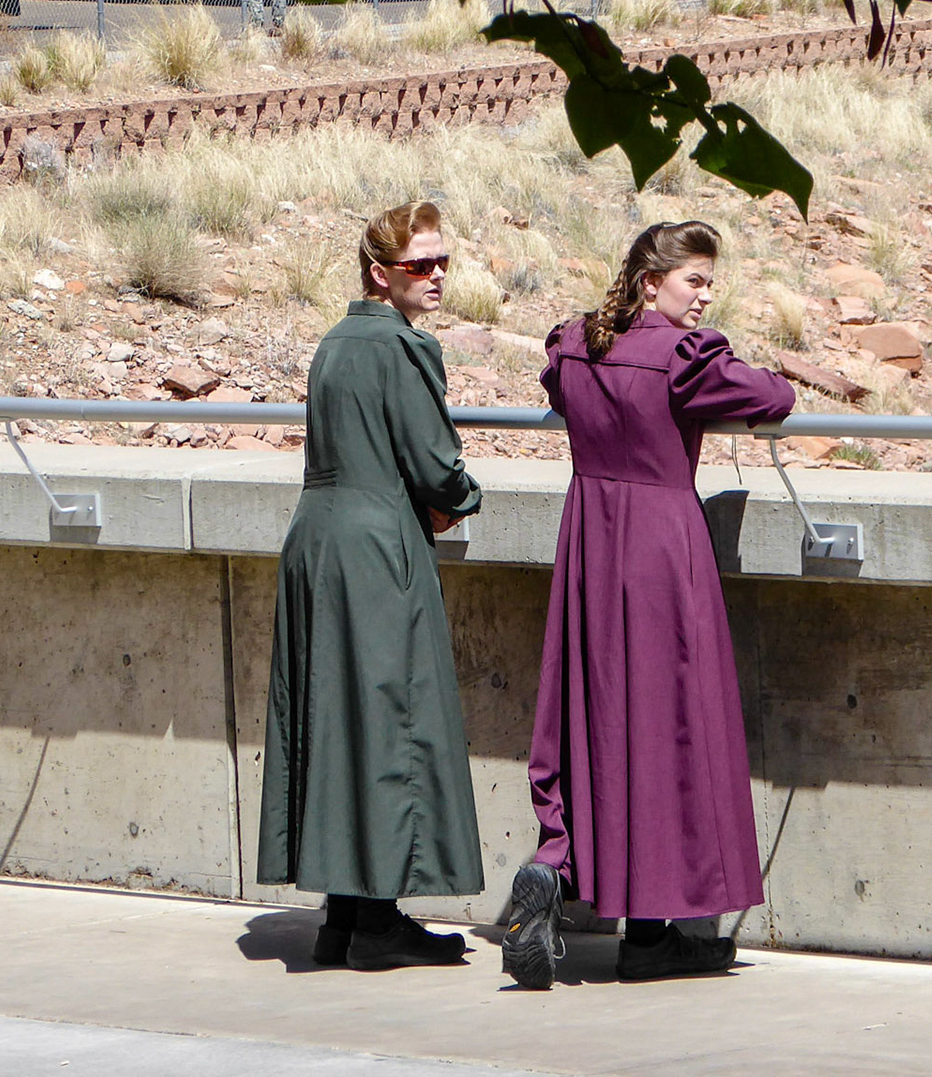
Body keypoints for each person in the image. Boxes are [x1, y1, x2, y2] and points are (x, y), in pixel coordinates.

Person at [503, 221, 796, 988]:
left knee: (594, 721)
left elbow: (557, 386)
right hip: (664, 548)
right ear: (649, 282)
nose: (707, 294)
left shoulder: (576, 345)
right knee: (670, 727)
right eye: (694, 280)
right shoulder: (685, 360)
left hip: (591, 544)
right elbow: (774, 396)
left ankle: (560, 869)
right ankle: (650, 932)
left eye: (710, 281)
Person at [257, 200, 484, 970]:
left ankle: (345, 918)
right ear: (380, 272)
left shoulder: (335, 342)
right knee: (391, 716)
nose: (438, 276)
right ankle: (378, 921)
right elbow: (434, 466)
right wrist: (462, 499)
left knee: (335, 717)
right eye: (421, 265)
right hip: (376, 545)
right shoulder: (399, 346)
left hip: (316, 539)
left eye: (443, 261)